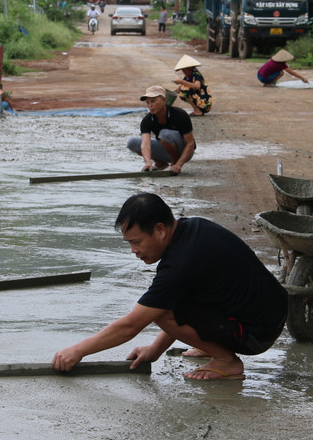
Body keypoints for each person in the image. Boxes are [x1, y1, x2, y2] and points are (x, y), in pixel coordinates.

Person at [52, 193, 288, 380]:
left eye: (136, 242)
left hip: (257, 332)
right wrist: (154, 350)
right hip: (270, 312)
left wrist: (77, 351)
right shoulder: (191, 229)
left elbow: (132, 325)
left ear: (160, 230)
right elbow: (178, 298)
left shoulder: (180, 264)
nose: (133, 251)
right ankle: (214, 346)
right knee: (166, 303)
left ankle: (227, 360)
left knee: (160, 311)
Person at [126, 85, 196, 174]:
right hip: (167, 150)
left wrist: (178, 164)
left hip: (185, 152)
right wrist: (148, 162)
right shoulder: (147, 120)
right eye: (147, 103)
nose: (150, 105)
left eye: (153, 101)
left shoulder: (180, 114)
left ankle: (174, 164)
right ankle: (161, 164)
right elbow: (145, 144)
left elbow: (190, 144)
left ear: (164, 100)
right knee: (132, 142)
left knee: (164, 134)